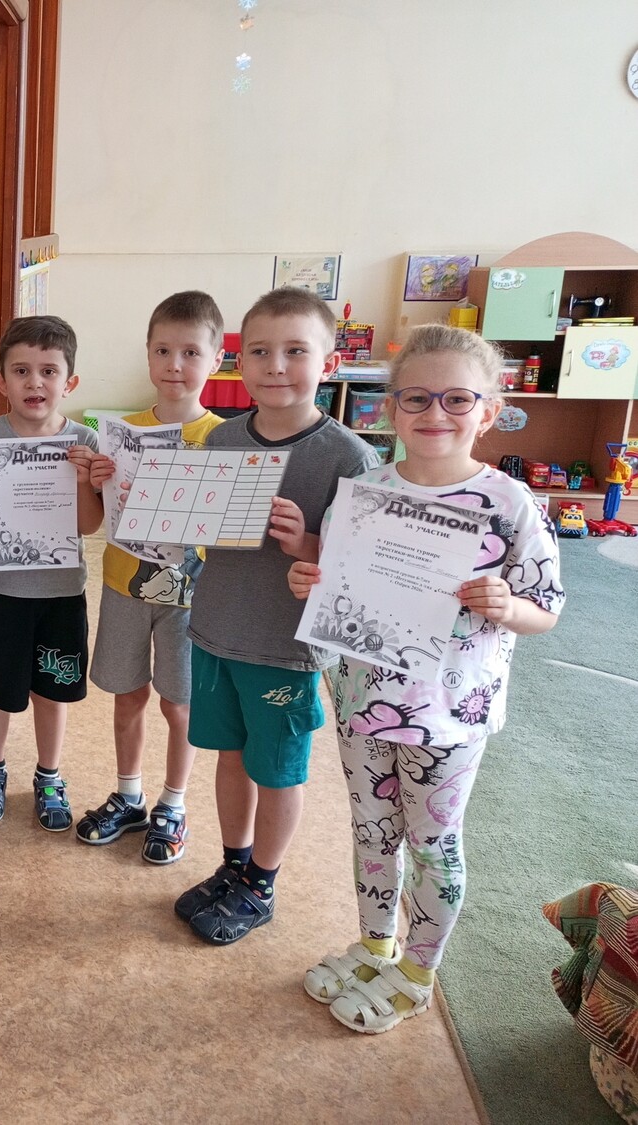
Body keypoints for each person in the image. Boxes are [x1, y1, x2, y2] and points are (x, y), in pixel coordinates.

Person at [288, 324, 562, 1032]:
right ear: (391, 408)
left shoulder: (509, 502)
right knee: (372, 831)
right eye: (416, 397)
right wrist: (311, 582)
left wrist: (507, 605)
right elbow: (338, 583)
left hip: (448, 714)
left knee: (433, 844)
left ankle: (418, 970)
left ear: (488, 410)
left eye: (456, 399)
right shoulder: (363, 492)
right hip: (363, 700)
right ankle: (376, 945)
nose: (435, 412)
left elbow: (546, 610)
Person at [175, 287, 379, 945]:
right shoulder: (223, 438)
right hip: (216, 630)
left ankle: (262, 883)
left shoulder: (349, 457)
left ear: (330, 362)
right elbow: (198, 531)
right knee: (229, 757)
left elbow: (367, 574)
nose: (276, 365)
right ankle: (234, 866)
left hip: (285, 648)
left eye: (296, 350)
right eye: (260, 351)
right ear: (240, 361)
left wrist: (307, 543)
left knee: (278, 769)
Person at [79, 291, 226, 863]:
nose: (174, 364)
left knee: (179, 704)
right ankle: (129, 794)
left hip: (193, 598)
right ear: (147, 354)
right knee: (128, 695)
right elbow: (100, 516)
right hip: (123, 585)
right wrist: (96, 479)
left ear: (216, 359)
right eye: (162, 350)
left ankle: (174, 803)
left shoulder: (225, 439)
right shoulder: (119, 433)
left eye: (191, 352)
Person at [0, 315, 105, 830]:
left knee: (54, 686)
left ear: (70, 382)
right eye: (21, 371)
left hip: (61, 591)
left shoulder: (84, 440)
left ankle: (49, 775)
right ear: (1, 381)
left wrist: (84, 481)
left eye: (48, 371)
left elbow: (88, 525)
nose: (34, 382)